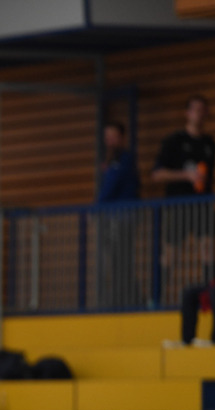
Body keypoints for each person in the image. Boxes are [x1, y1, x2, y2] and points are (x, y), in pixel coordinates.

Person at [150, 95, 215, 286]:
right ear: (187, 113)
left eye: (202, 109)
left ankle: (211, 293)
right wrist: (186, 176)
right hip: (178, 205)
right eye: (195, 109)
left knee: (208, 249)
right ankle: (156, 298)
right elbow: (157, 174)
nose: (199, 113)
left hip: (202, 204)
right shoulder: (174, 140)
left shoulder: (210, 144)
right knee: (170, 254)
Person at [96, 121, 141, 308]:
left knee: (121, 260)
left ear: (122, 138)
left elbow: (110, 186)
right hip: (113, 217)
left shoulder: (123, 159)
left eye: (114, 137)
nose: (110, 142)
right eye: (107, 138)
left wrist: (97, 206)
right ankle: (122, 297)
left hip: (122, 217)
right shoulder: (111, 160)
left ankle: (125, 299)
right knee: (116, 260)